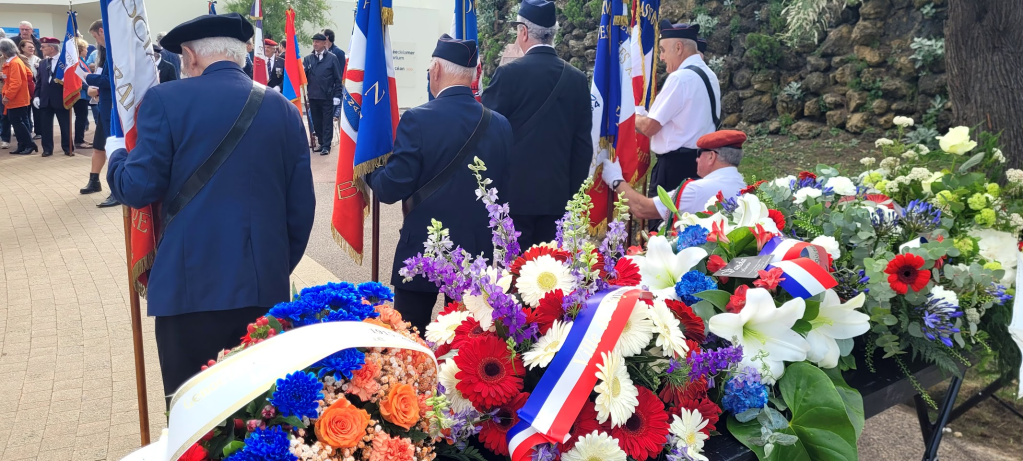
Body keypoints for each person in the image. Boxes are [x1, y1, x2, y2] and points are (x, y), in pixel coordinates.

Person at [105, 13, 315, 400]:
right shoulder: (284, 109)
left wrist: (117, 155)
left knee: (191, 410)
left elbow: (137, 187)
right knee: (260, 413)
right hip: (262, 289)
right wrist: (272, 266)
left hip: (188, 292)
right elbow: (301, 210)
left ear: (190, 55)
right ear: (240, 53)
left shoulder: (165, 99)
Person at [368, 35, 512, 333]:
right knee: (466, 343)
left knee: (410, 339)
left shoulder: (417, 119)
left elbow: (390, 188)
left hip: (422, 250)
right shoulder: (500, 124)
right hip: (477, 254)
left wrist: (369, 169)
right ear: (474, 74)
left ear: (435, 69)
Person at [480, 0, 591, 250]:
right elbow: (582, 147)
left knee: (515, 269)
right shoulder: (577, 80)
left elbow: (486, 134)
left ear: (523, 32)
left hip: (514, 199)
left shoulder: (508, 74)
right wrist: (572, 198)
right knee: (551, 269)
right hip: (558, 199)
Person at [636, 21, 720, 229]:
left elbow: (649, 127)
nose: (661, 57)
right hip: (702, 163)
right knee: (693, 227)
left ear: (679, 48)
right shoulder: (710, 75)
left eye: (663, 50)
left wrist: (631, 116)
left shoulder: (680, 78)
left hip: (674, 168)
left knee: (663, 230)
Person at [600, 130, 747, 225]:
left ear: (711, 157)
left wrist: (615, 179)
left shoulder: (697, 190)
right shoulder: (744, 187)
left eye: (699, 153)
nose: (696, 159)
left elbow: (642, 209)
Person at [81, 20, 119, 207]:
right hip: (104, 105)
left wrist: (87, 77)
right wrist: (94, 88)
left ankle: (117, 189)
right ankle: (94, 181)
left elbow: (113, 80)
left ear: (102, 31)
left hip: (113, 109)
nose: (95, 41)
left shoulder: (116, 51)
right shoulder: (104, 53)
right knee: (98, 146)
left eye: (95, 36)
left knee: (114, 150)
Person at [303, 33, 343, 155]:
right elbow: (304, 77)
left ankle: (326, 145)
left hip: (327, 96)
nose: (315, 44)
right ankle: (321, 142)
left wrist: (337, 95)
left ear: (324, 43)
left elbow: (338, 79)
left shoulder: (332, 58)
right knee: (316, 121)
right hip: (313, 95)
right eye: (314, 42)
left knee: (327, 122)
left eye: (317, 42)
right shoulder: (308, 59)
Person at [34, 37, 73, 157]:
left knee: (65, 125)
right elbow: (39, 82)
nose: (41, 49)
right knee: (45, 126)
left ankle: (68, 148)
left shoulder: (65, 62)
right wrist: (36, 96)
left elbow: (71, 81)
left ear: (51, 48)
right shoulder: (43, 63)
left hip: (61, 98)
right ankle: (47, 149)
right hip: (45, 99)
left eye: (43, 47)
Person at [1, 38, 38, 155]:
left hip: (17, 98)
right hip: (16, 98)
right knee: (16, 122)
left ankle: (29, 144)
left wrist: (7, 96)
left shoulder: (15, 63)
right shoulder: (13, 62)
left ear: (4, 50)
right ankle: (22, 145)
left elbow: (16, 83)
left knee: (18, 122)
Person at [18, 40, 40, 139]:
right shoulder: (18, 59)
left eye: (33, 47)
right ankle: (27, 131)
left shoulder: (37, 59)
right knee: (25, 112)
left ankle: (39, 132)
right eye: (29, 47)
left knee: (37, 111)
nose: (32, 49)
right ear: (22, 48)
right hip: (22, 90)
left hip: (35, 89)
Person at [72, 38, 92, 149]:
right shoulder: (77, 62)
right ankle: (79, 141)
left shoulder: (81, 60)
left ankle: (80, 139)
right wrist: (88, 87)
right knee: (81, 117)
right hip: (80, 93)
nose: (87, 51)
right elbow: (79, 78)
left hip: (83, 93)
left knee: (83, 117)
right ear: (80, 49)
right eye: (85, 49)